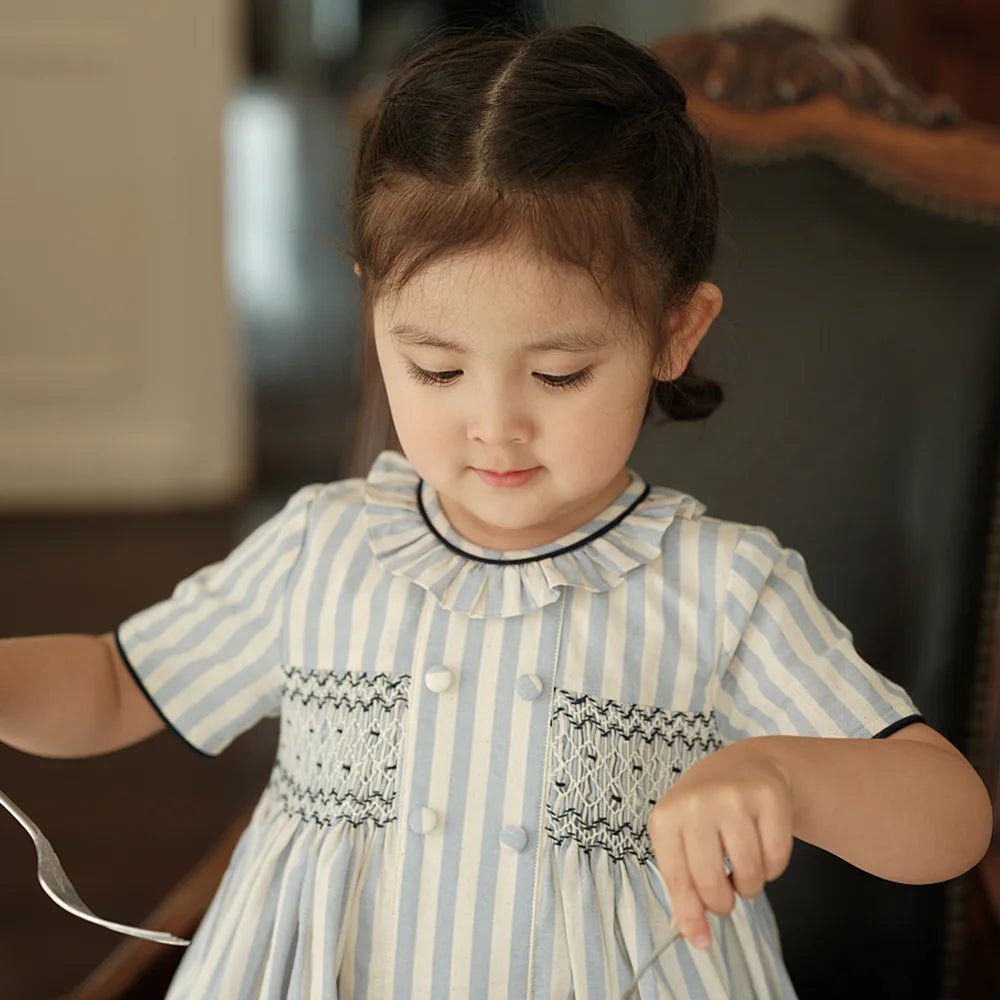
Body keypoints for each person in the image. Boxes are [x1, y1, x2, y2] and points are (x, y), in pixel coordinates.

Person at [1, 20, 993, 1000]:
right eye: (434, 367)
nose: (494, 427)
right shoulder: (322, 546)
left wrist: (785, 775)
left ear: (673, 332)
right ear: (374, 314)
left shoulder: (720, 588)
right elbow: (111, 683)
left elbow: (947, 815)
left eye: (558, 374)